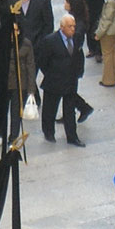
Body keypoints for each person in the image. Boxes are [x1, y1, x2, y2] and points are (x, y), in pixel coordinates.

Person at [37, 14, 86, 147]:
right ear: (62, 27)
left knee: (69, 111)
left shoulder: (76, 38)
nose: (73, 29)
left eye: (74, 26)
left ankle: (72, 136)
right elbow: (42, 60)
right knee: (50, 109)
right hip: (54, 81)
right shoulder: (50, 40)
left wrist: (78, 72)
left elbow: (79, 55)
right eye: (70, 26)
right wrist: (51, 73)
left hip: (70, 81)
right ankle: (49, 132)